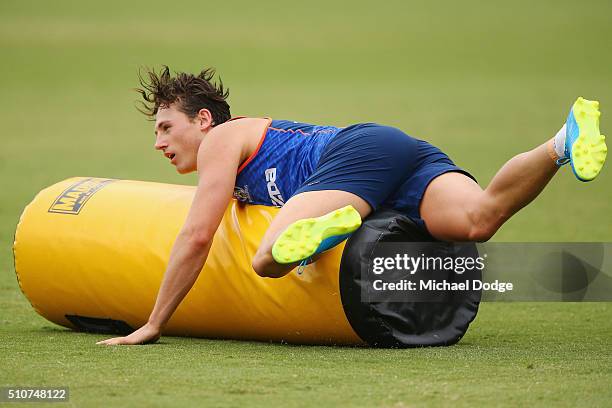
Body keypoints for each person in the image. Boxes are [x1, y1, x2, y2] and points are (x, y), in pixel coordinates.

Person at [96, 66, 606, 346]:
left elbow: (197, 235)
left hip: (351, 157)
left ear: (203, 119)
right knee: (479, 219)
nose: (159, 144)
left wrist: (154, 322)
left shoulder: (220, 141)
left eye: (166, 127)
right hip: (395, 152)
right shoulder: (229, 155)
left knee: (266, 259)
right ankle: (562, 141)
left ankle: (333, 228)